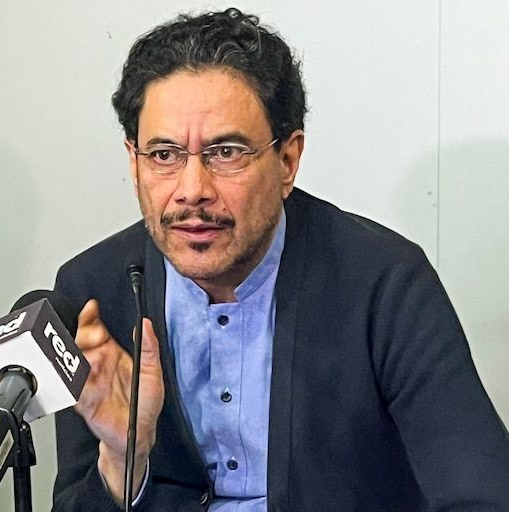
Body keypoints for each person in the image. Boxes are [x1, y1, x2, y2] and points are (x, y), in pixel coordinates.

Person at [52, 8, 509, 511]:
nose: (192, 190)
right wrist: (123, 458)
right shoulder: (94, 294)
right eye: (164, 155)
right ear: (133, 161)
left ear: (287, 161)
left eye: (226, 152)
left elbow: (481, 494)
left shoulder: (384, 284)